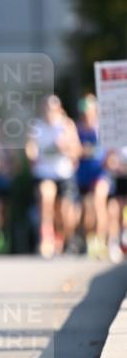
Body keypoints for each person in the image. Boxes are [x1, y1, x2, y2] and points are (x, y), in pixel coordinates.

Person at [26, 95, 81, 258]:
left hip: (63, 172)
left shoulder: (66, 125)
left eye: (52, 108)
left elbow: (77, 150)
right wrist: (32, 154)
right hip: (44, 172)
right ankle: (46, 239)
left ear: (59, 109)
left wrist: (65, 147)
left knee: (64, 211)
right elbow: (30, 148)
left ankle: (65, 238)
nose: (49, 112)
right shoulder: (36, 126)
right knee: (45, 197)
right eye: (46, 108)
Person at [75, 94, 112, 259]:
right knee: (87, 211)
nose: (86, 115)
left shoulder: (103, 128)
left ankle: (102, 241)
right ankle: (90, 241)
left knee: (99, 204)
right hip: (83, 174)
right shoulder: (77, 129)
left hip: (100, 173)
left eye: (89, 111)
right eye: (84, 112)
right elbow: (74, 150)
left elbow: (111, 151)